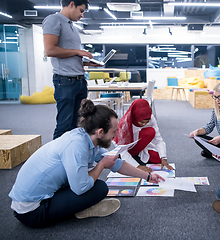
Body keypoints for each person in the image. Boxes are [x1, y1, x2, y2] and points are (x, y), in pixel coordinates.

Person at [8, 99, 164, 228]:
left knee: (94, 184)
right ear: (100, 132)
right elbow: (81, 187)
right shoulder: (77, 146)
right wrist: (101, 165)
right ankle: (79, 210)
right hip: (32, 212)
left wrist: (148, 176)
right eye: (114, 132)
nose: (115, 136)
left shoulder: (86, 138)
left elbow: (116, 163)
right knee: (99, 188)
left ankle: (77, 207)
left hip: (36, 198)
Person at [43, 0, 101, 140]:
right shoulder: (53, 20)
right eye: (81, 10)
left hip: (79, 80)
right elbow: (50, 50)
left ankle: (74, 157)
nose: (82, 15)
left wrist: (87, 63)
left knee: (79, 125)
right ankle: (57, 160)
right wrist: (77, 51)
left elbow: (70, 55)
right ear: (71, 4)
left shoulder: (73, 27)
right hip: (65, 81)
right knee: (64, 125)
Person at [114, 99, 174, 173]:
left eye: (147, 122)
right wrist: (138, 167)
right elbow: (122, 150)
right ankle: (132, 159)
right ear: (135, 116)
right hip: (125, 149)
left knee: (159, 159)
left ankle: (136, 157)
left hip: (139, 145)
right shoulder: (124, 124)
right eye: (141, 122)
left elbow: (158, 139)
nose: (144, 124)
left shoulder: (151, 118)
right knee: (150, 132)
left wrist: (164, 158)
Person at [189, 82, 220, 158]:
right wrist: (197, 132)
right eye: (215, 97)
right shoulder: (216, 110)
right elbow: (209, 127)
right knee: (199, 138)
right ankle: (218, 154)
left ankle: (216, 153)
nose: (217, 100)